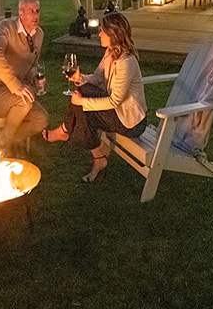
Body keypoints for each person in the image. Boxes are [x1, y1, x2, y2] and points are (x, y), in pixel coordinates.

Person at [43, 12, 147, 183]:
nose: (99, 34)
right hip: (117, 111)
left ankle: (69, 134)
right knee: (82, 101)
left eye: (102, 31)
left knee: (82, 105)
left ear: (113, 34)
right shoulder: (111, 52)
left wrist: (82, 101)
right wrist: (80, 78)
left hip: (131, 122)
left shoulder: (126, 62)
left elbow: (114, 101)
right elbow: (98, 78)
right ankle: (88, 149)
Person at [0, 0, 49, 150]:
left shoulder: (39, 35)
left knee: (41, 120)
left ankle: (0, 143)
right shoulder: (6, 27)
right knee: (24, 101)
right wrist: (16, 86)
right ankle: (1, 147)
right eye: (31, 11)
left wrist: (35, 77)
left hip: (16, 95)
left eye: (37, 11)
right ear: (21, 13)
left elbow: (32, 65)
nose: (35, 15)